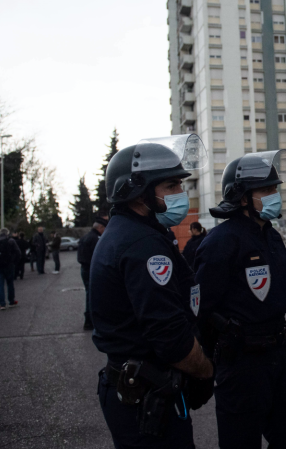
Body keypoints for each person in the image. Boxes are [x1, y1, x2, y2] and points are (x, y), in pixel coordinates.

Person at [90, 135, 214, 448]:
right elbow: (169, 336)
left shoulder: (133, 233)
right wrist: (206, 370)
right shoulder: (142, 245)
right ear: (137, 192)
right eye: (171, 186)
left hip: (143, 389)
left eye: (180, 186)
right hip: (145, 396)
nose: (180, 194)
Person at [194, 149, 286, 449]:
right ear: (242, 197)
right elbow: (201, 310)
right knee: (240, 443)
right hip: (241, 363)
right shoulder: (220, 242)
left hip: (277, 355)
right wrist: (210, 360)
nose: (274, 195)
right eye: (267, 190)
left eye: (276, 189)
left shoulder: (271, 236)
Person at [78, 214, 109, 330]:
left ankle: (89, 319)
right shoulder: (96, 239)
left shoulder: (85, 237)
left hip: (84, 269)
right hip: (91, 269)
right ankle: (90, 320)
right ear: (100, 228)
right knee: (92, 295)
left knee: (89, 293)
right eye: (104, 229)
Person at [0, 228, 22, 311]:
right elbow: (18, 252)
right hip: (8, 265)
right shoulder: (10, 241)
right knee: (10, 283)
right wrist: (14, 262)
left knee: (0, 285)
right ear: (7, 233)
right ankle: (11, 301)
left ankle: (2, 304)